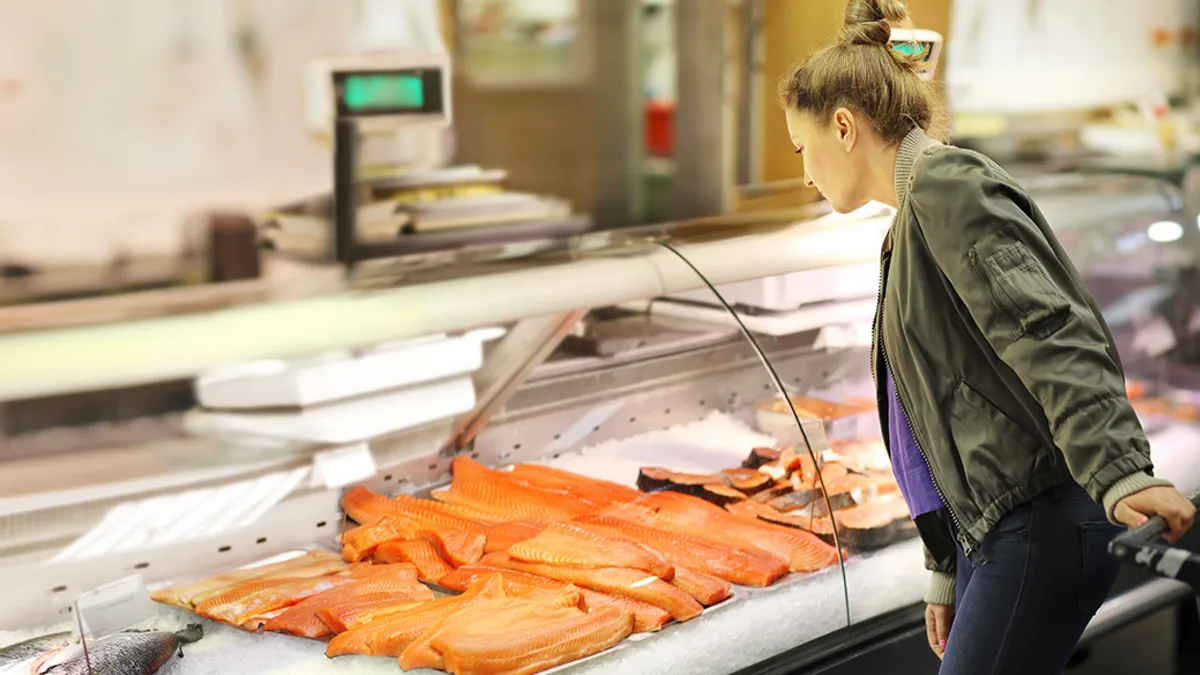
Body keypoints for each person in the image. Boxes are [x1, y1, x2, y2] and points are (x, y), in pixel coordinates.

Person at [778, 1, 1197, 673]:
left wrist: (1119, 469)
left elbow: (1050, 331)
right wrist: (945, 565)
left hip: (1043, 519)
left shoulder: (949, 188)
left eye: (804, 149)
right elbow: (930, 415)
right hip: (1001, 526)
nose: (804, 172)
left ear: (845, 127)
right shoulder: (908, 221)